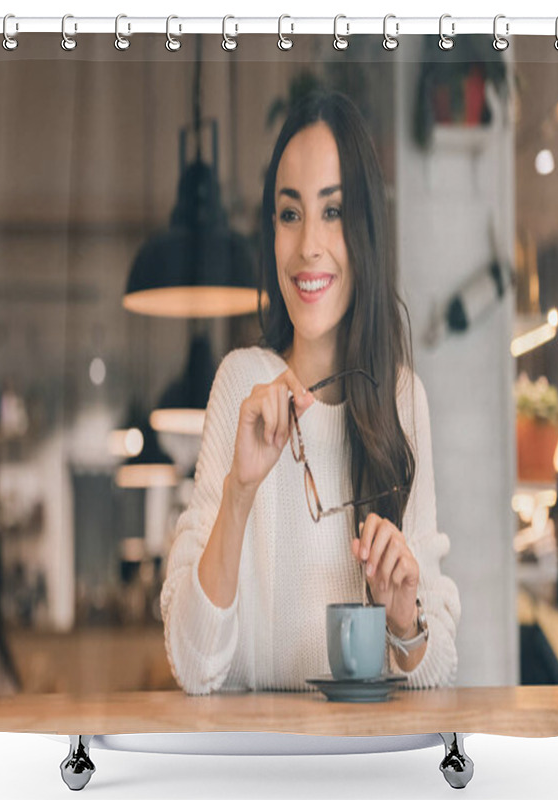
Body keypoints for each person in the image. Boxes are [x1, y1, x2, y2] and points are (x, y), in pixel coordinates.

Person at [161, 90, 461, 695]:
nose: (308, 247)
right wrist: (239, 492)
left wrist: (404, 617)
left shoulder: (401, 399)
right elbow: (194, 668)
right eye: (290, 214)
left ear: (365, 229)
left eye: (333, 212)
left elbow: (439, 667)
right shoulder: (242, 385)